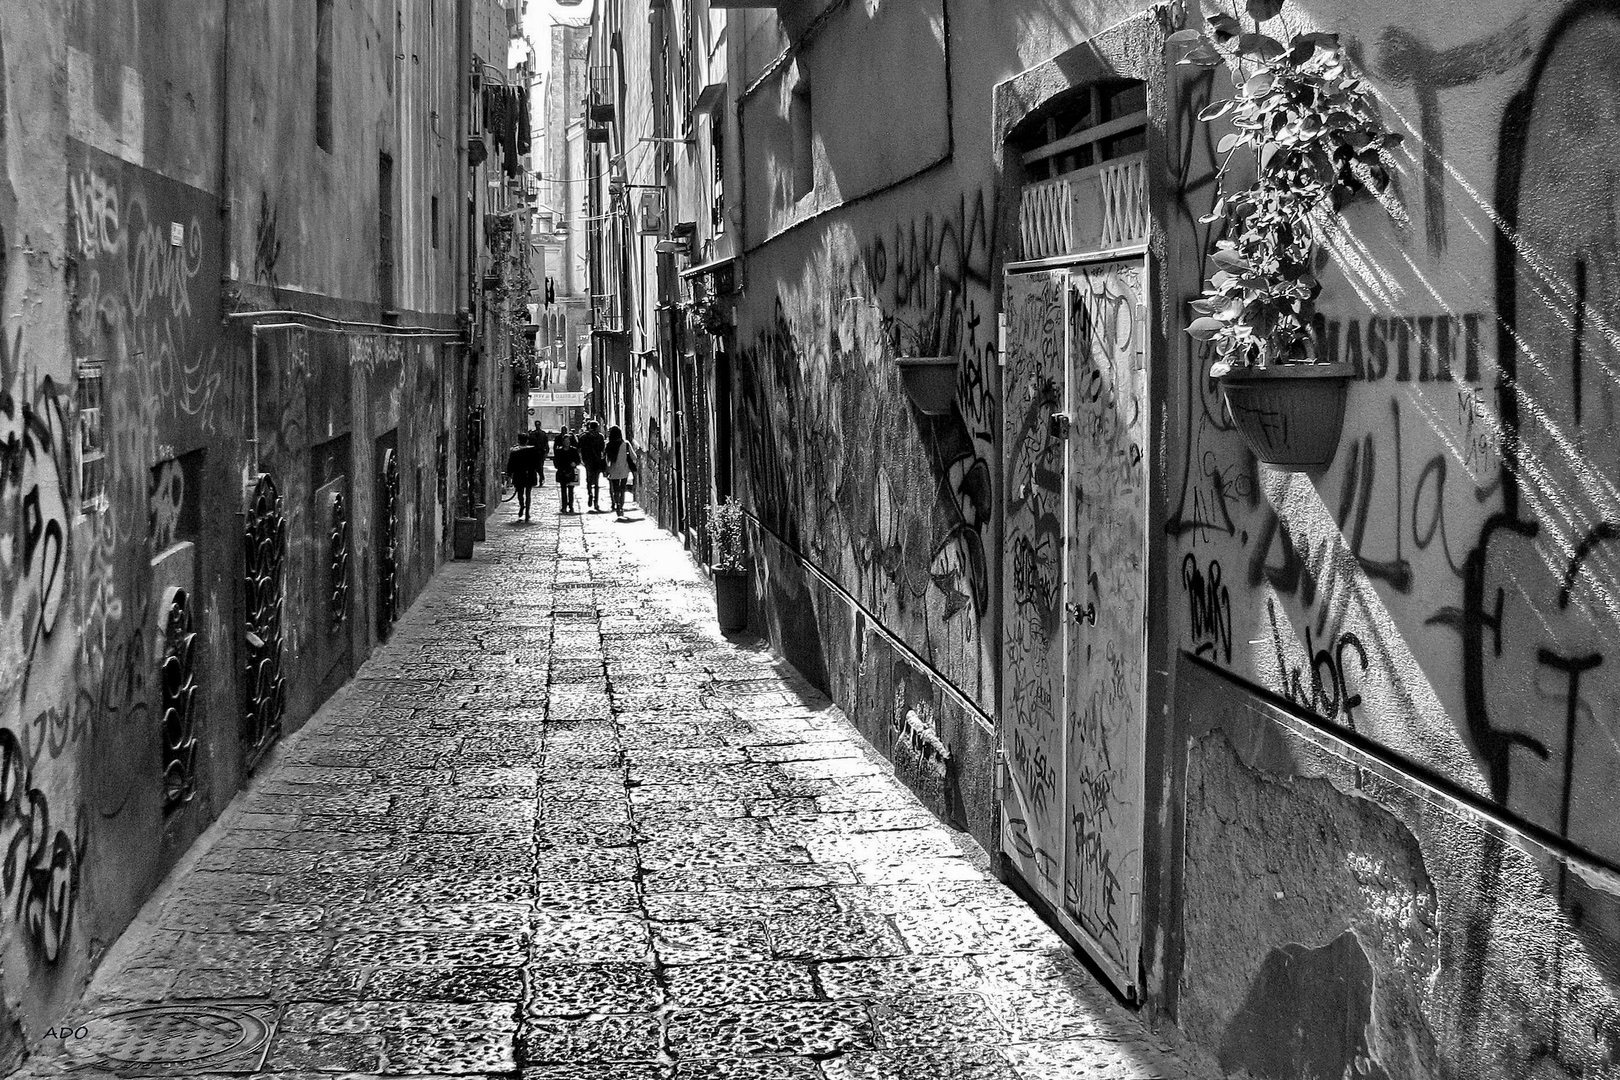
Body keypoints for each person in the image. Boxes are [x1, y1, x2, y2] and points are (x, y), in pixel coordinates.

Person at [504, 434, 539, 521]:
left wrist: (509, 474)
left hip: (520, 474)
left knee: (522, 493)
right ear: (527, 440)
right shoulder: (532, 450)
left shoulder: (515, 451)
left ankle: (524, 508)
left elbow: (510, 464)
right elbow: (537, 463)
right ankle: (526, 510)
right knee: (527, 494)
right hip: (527, 474)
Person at [604, 425, 636, 517]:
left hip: (613, 471)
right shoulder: (625, 444)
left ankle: (617, 503)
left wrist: (607, 470)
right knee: (622, 489)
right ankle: (621, 506)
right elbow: (634, 457)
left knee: (615, 489)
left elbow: (606, 459)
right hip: (624, 471)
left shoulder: (608, 445)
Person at [578, 420, 607, 512]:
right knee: (597, 482)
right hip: (597, 461)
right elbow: (603, 450)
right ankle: (596, 502)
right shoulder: (600, 437)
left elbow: (579, 449)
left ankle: (590, 492)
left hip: (588, 461)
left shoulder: (583, 436)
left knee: (589, 479)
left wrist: (582, 459)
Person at [553, 430, 581, 514]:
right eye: (565, 441)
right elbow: (556, 462)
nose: (567, 443)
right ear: (563, 442)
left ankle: (571, 506)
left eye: (568, 441)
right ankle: (564, 506)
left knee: (571, 490)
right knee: (563, 490)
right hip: (562, 472)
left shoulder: (573, 450)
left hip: (571, 472)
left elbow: (578, 461)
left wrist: (575, 463)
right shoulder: (559, 451)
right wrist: (560, 469)